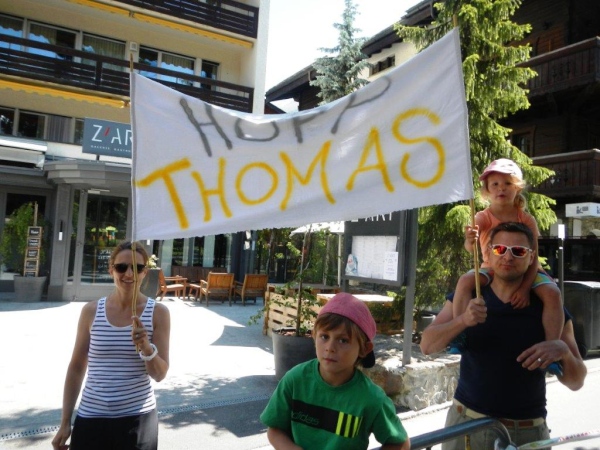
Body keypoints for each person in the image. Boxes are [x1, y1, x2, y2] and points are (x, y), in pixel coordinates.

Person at [421, 222, 587, 449]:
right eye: (500, 249)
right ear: (488, 253)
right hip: (466, 426)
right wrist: (463, 320)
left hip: (525, 433)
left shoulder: (549, 307)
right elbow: (427, 345)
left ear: (531, 258)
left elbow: (576, 382)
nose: (508, 257)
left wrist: (564, 352)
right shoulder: (470, 295)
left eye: (518, 251)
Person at [52, 241, 171, 450]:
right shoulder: (91, 311)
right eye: (121, 267)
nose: (129, 274)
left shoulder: (158, 313)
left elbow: (160, 374)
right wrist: (65, 422)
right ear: (111, 270)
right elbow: (77, 366)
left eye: (137, 268)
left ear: (145, 273)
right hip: (91, 416)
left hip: (138, 418)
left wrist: (146, 347)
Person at [260, 292, 410, 450]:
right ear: (314, 336)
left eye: (343, 340)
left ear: (364, 349)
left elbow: (400, 443)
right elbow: (275, 429)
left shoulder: (371, 398)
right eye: (324, 337)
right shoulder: (295, 380)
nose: (330, 348)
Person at [453, 158, 564, 347]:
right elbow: (471, 250)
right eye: (495, 184)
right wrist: (470, 240)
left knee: (552, 292)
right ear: (487, 190)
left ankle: (552, 344)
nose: (501, 189)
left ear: (517, 188)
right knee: (465, 281)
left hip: (524, 270)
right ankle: (460, 334)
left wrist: (524, 288)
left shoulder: (526, 219)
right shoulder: (482, 217)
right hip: (491, 268)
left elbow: (533, 258)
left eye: (507, 184)